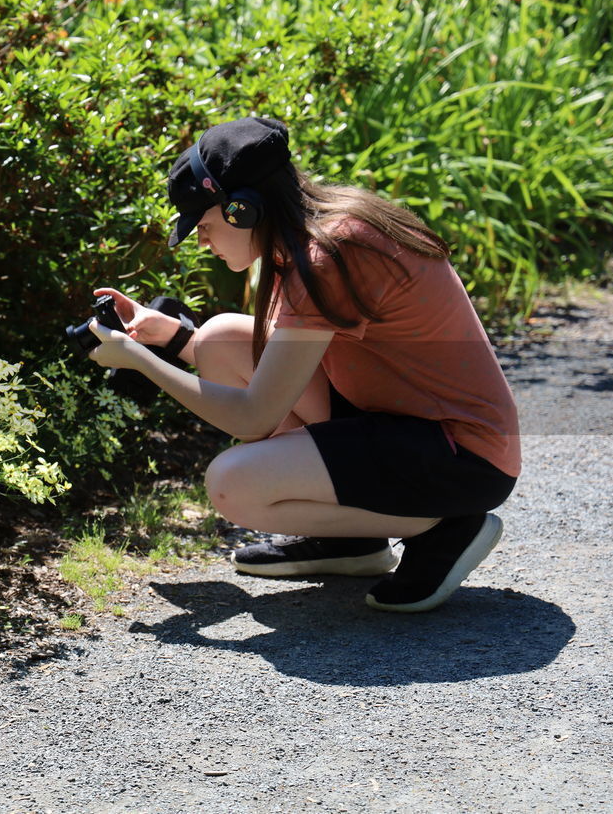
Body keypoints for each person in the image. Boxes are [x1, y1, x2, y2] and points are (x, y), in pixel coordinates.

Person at [86, 117, 519, 613]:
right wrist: (171, 336)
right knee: (220, 339)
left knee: (231, 484)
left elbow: (254, 416)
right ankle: (351, 541)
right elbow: (274, 366)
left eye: (203, 226)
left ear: (241, 210)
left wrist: (141, 361)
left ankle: (447, 524)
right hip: (410, 429)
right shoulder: (319, 234)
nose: (203, 242)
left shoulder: (327, 257)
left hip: (461, 459)